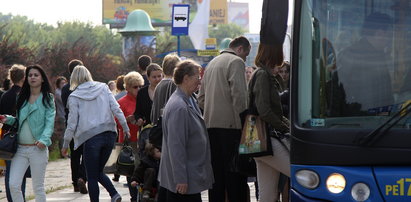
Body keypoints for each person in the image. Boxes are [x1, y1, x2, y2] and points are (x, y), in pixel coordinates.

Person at [61, 65, 130, 202]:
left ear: (73, 78)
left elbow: (72, 123)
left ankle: (110, 195)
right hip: (110, 134)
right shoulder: (104, 88)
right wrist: (125, 127)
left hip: (91, 138)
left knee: (92, 175)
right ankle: (114, 194)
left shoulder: (74, 96)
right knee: (98, 171)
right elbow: (116, 109)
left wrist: (65, 143)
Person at [198, 36, 251, 202]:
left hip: (210, 126)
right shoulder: (236, 62)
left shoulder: (212, 63)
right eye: (246, 54)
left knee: (217, 176)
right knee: (235, 176)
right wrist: (245, 122)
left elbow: (201, 98)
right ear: (240, 49)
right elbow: (240, 96)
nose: (245, 58)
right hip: (232, 127)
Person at [159, 60, 214, 202]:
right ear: (186, 78)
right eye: (197, 77)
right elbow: (176, 146)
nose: (200, 81)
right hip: (183, 181)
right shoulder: (179, 106)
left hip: (189, 176)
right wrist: (181, 178)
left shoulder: (189, 99)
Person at [0, 64, 56, 202]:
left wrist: (44, 139)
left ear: (42, 79)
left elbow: (50, 123)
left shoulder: (47, 98)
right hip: (19, 149)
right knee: (13, 185)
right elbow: (20, 121)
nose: (32, 77)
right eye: (30, 75)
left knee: (38, 188)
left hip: (38, 148)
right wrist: (8, 119)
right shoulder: (21, 97)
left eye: (36, 75)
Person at [330, 12, 394, 116]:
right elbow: (338, 93)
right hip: (358, 124)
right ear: (380, 34)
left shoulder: (379, 56)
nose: (390, 41)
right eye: (390, 35)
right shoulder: (351, 55)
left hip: (378, 122)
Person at [251, 43, 291, 202]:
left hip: (257, 142)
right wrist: (286, 127)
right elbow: (265, 111)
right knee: (302, 173)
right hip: (268, 139)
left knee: (267, 195)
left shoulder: (261, 74)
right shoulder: (263, 76)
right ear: (271, 58)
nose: (280, 65)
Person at [0, 64, 29, 202]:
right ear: (23, 78)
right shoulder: (24, 95)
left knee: (9, 173)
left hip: (6, 137)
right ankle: (20, 198)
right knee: (21, 173)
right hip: (21, 136)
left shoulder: (5, 95)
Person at [116, 71, 144, 202]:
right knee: (131, 171)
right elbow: (116, 122)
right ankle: (134, 197)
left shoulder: (144, 99)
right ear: (127, 87)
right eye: (135, 86)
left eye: (139, 86)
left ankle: (142, 194)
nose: (138, 89)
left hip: (142, 140)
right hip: (129, 141)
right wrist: (127, 120)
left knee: (142, 169)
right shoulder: (122, 102)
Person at [61, 59, 88, 194]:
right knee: (87, 153)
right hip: (86, 124)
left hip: (71, 124)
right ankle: (83, 177)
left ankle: (75, 182)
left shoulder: (65, 88)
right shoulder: (85, 87)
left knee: (75, 154)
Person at [150, 54, 180, 125]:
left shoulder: (159, 85)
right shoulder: (174, 84)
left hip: (159, 127)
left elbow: (153, 113)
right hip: (169, 127)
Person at [53, 76, 67, 154]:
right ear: (58, 84)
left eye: (65, 83)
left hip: (66, 115)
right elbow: (64, 101)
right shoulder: (58, 92)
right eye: (62, 83)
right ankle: (62, 152)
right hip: (62, 116)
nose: (64, 84)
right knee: (63, 135)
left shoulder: (64, 91)